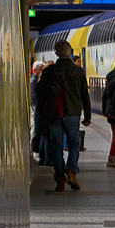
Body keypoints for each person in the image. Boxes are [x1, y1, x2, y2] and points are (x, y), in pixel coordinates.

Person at [37, 40, 92, 191]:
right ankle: (72, 172)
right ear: (70, 52)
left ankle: (60, 178)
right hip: (73, 114)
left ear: (56, 54)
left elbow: (39, 91)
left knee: (56, 147)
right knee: (74, 145)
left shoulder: (50, 71)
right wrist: (87, 117)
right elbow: (84, 96)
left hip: (55, 114)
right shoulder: (78, 71)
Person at [29, 61, 45, 164]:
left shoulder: (34, 80)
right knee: (34, 128)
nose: (41, 72)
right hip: (34, 107)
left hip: (34, 106)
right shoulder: (33, 81)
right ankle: (33, 148)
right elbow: (33, 95)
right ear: (35, 70)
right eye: (40, 70)